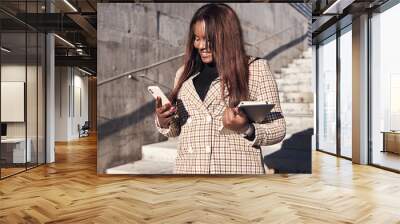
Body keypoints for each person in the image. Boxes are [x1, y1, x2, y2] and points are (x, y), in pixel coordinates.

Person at [155, 3, 286, 174]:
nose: (201, 46)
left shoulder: (254, 69)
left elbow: (278, 128)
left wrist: (246, 128)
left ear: (228, 36)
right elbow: (176, 130)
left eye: (208, 39)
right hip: (188, 172)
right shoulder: (184, 74)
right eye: (197, 38)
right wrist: (164, 120)